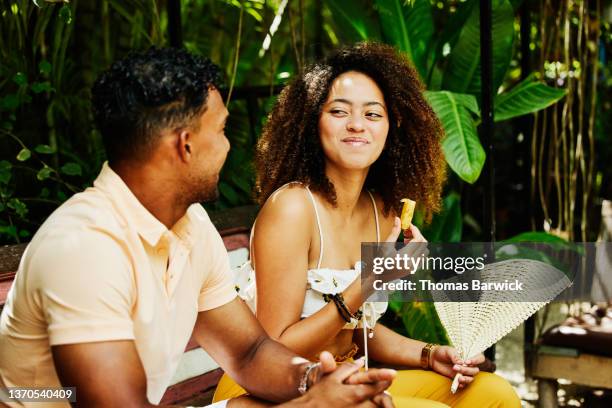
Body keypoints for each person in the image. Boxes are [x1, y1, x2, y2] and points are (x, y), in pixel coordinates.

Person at [0, 47, 397, 408]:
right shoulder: (84, 249)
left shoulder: (190, 227)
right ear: (185, 145)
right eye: (222, 130)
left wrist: (317, 380)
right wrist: (315, 405)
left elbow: (250, 353)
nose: (228, 146)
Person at [213, 42, 521, 408]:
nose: (357, 125)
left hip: (346, 377)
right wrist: (369, 281)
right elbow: (271, 349)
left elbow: (354, 333)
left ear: (393, 127)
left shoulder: (380, 211)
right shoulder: (293, 208)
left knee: (492, 394)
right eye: (339, 111)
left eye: (373, 114)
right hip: (273, 390)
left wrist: (429, 353)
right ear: (313, 122)